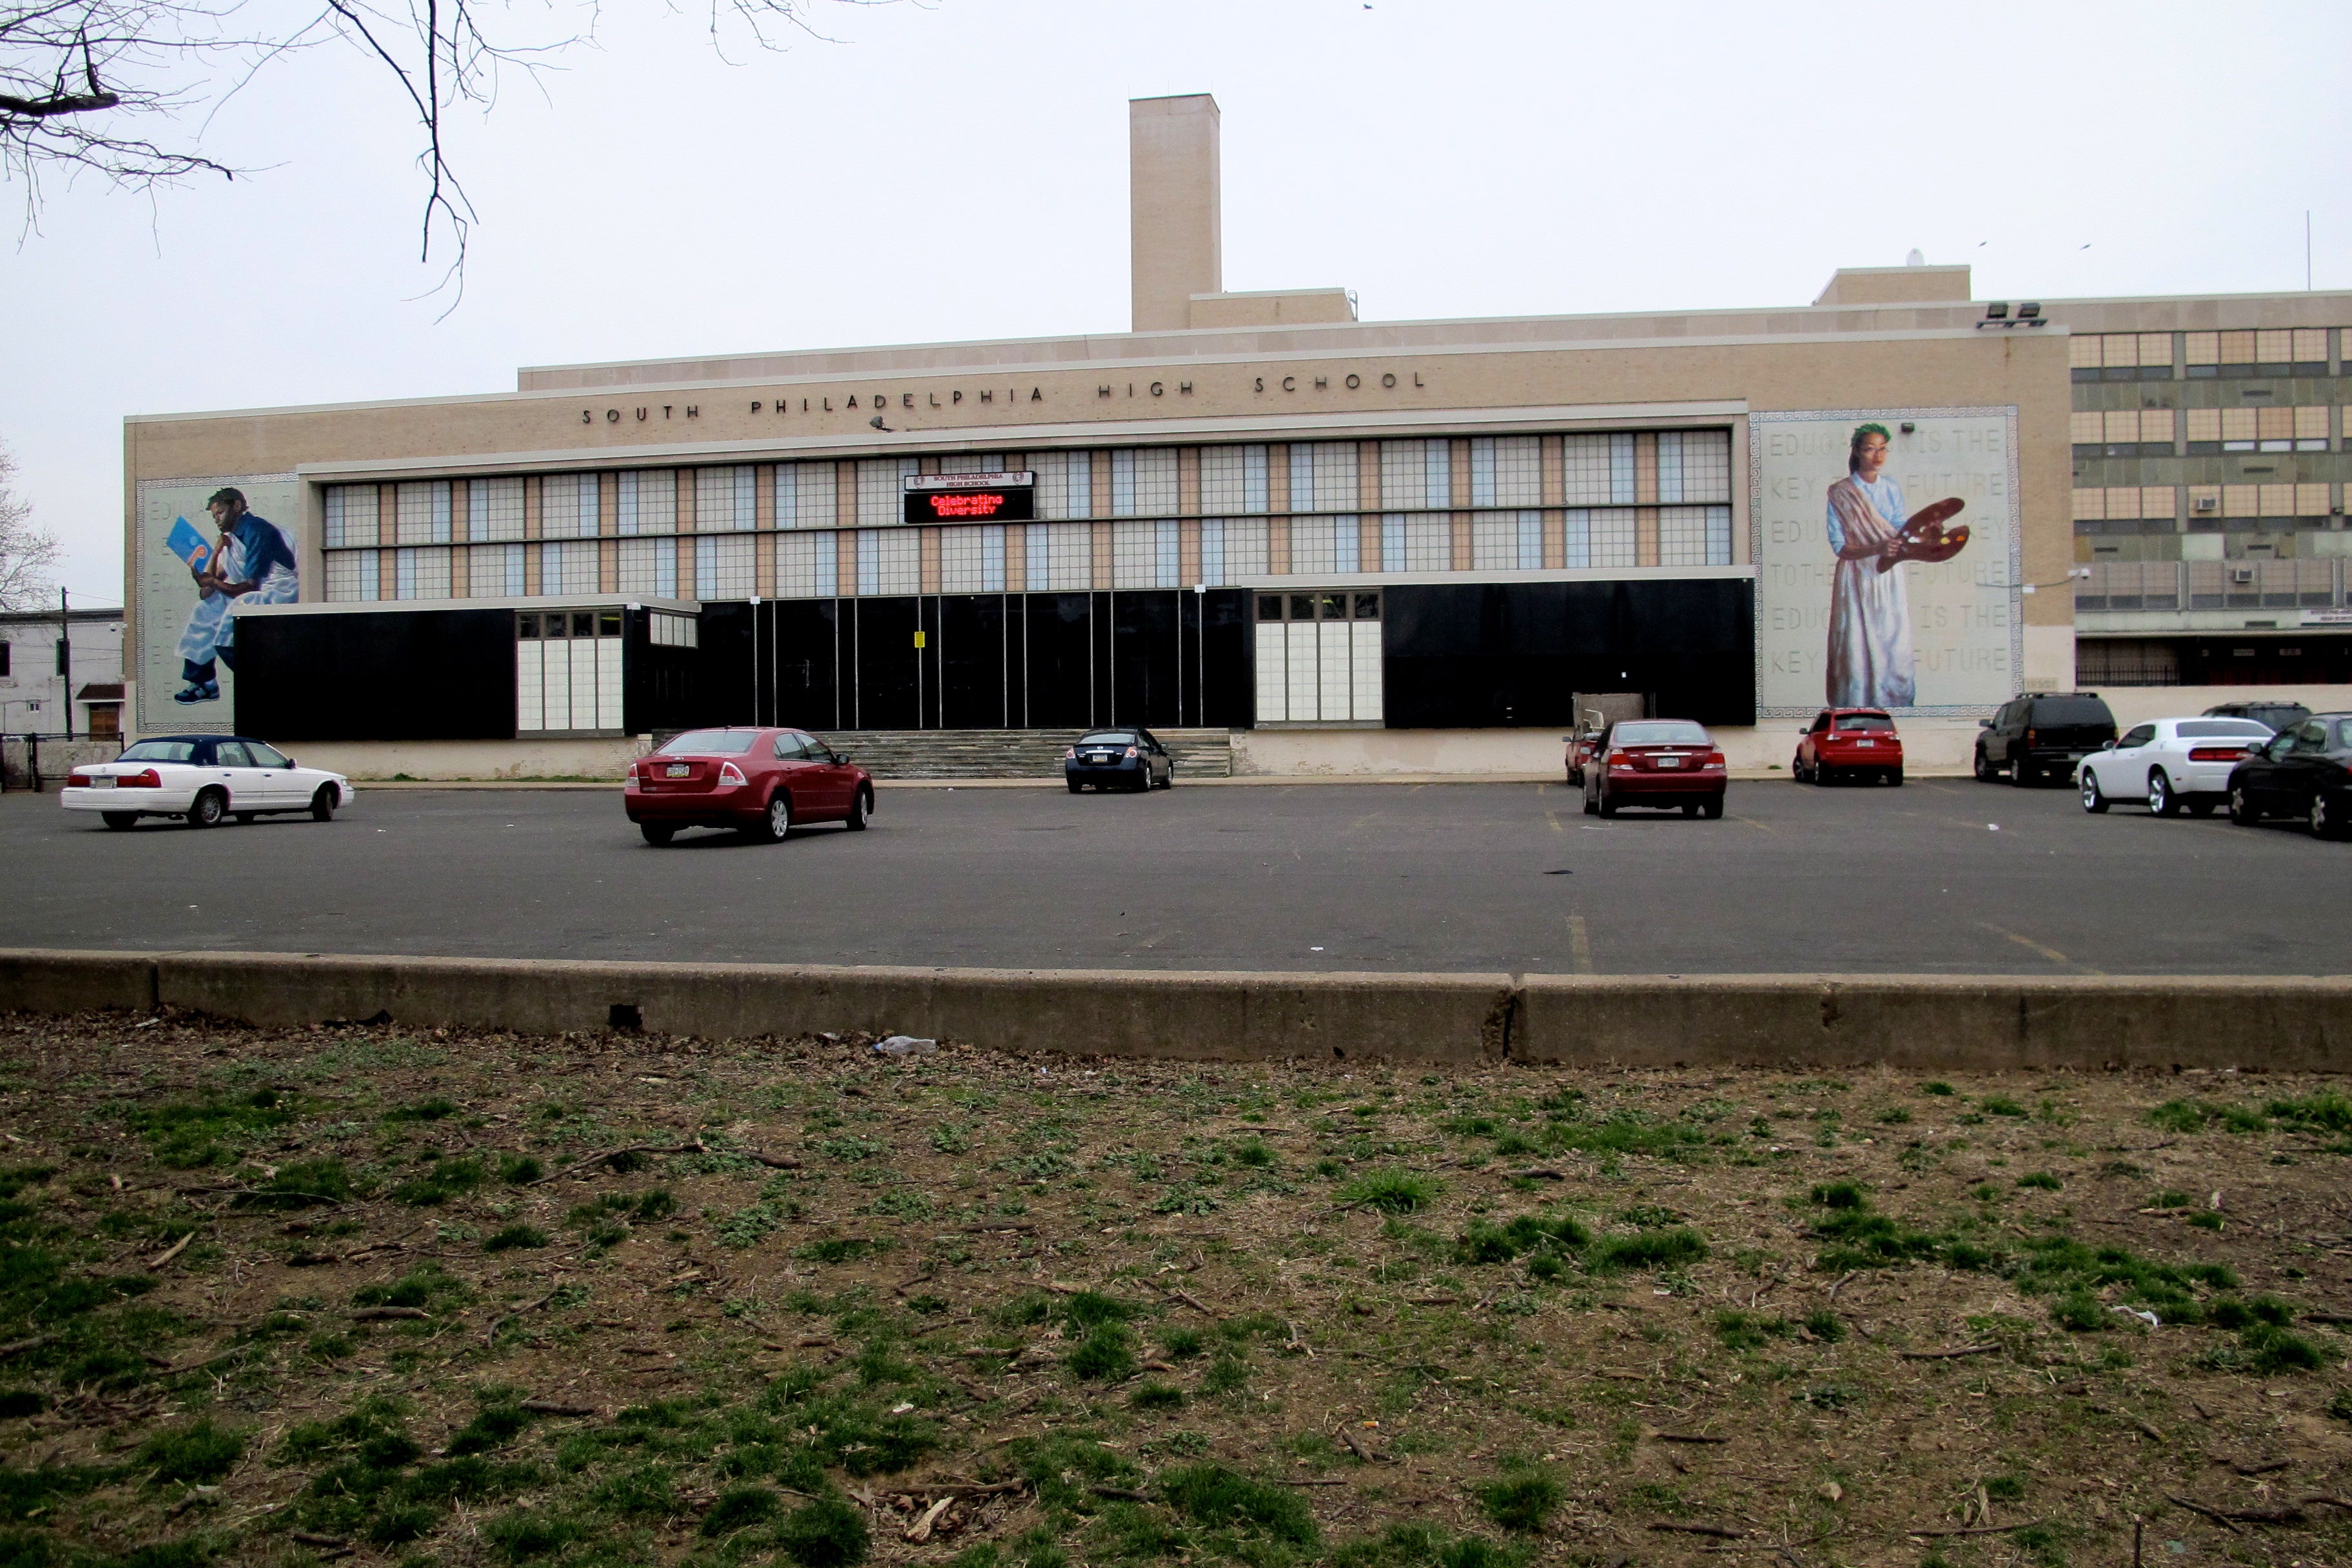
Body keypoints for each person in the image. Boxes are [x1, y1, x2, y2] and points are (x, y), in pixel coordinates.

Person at [173, 488, 299, 703]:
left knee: (236, 611)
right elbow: (208, 592)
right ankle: (205, 684)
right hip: (254, 591)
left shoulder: (257, 531)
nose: (217, 519)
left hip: (279, 591)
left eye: (220, 512)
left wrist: (213, 581)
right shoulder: (230, 539)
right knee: (207, 607)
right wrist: (215, 552)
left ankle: (262, 682)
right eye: (214, 516)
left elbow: (248, 588)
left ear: (238, 507)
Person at [1823, 424, 1915, 709]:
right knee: (1856, 646)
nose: (1878, 456)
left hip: (1888, 575)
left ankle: (1893, 703)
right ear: (1858, 453)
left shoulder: (1891, 488)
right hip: (1856, 577)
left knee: (1893, 643)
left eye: (1882, 449)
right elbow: (1840, 546)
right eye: (1870, 449)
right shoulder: (1841, 493)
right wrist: (1875, 549)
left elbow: (1901, 527)